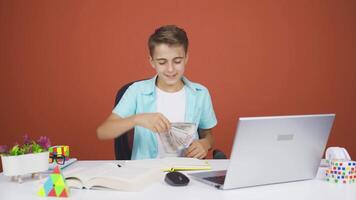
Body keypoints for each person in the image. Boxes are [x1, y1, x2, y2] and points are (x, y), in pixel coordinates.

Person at [97, 25, 217, 160]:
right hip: (146, 173)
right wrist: (137, 119)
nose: (170, 69)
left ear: (186, 58)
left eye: (177, 61)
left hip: (188, 172)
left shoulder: (200, 93)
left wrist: (205, 143)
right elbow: (103, 132)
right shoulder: (136, 91)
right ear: (152, 62)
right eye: (162, 62)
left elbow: (208, 135)